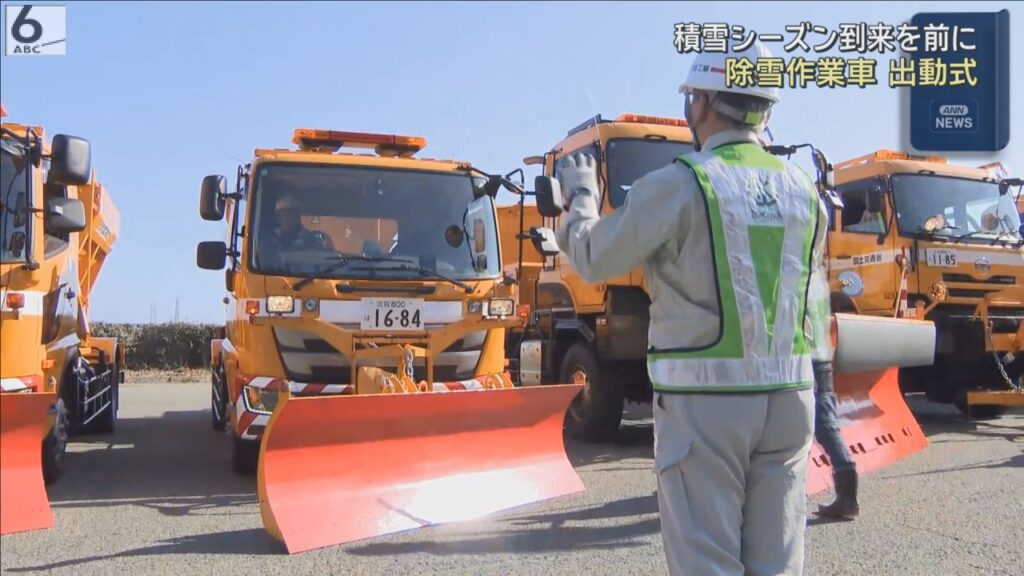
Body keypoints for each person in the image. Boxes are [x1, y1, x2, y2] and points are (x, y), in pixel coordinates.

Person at [555, 40, 824, 576]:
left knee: (707, 561)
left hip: (708, 403)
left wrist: (578, 196)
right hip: (792, 398)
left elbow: (591, 257)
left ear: (697, 104)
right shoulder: (805, 190)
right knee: (779, 562)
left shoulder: (681, 183)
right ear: (766, 110)